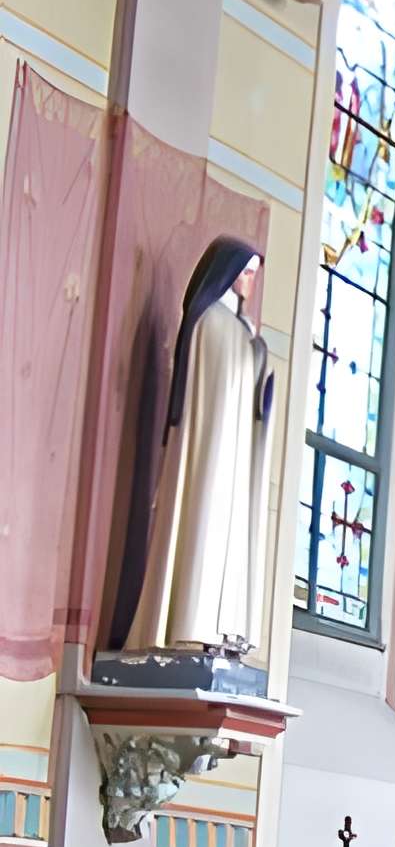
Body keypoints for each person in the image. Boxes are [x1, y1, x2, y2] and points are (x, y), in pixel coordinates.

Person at [127, 238, 277, 661]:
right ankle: (190, 627)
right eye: (245, 270)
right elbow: (207, 395)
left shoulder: (244, 332)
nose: (251, 280)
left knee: (229, 535)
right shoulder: (210, 322)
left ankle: (221, 627)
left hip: (234, 460)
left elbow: (247, 396)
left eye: (255, 273)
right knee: (200, 526)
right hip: (208, 454)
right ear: (227, 272)